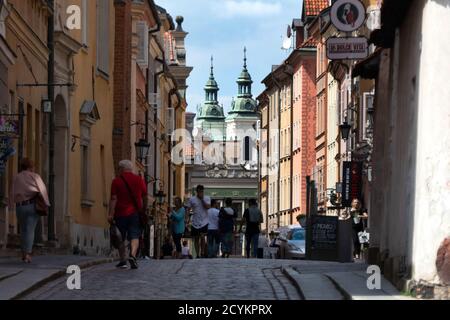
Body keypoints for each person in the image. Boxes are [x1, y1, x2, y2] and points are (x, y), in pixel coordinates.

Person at [108, 160, 147, 269]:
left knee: (121, 237)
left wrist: (110, 214)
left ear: (121, 169)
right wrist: (144, 208)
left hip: (120, 213)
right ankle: (133, 255)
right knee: (135, 235)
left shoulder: (116, 181)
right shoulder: (139, 180)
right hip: (135, 213)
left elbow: (114, 198)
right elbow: (144, 195)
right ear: (131, 168)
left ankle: (123, 260)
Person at [10, 158, 50, 263]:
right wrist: (46, 203)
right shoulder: (35, 176)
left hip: (20, 207)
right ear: (30, 166)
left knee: (23, 230)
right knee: (30, 230)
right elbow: (43, 190)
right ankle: (27, 254)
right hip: (32, 206)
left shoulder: (16, 177)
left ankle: (24, 252)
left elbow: (12, 192)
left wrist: (11, 204)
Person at [186, 185, 211, 258]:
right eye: (199, 191)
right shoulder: (192, 199)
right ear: (196, 191)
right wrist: (186, 218)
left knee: (203, 236)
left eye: (202, 191)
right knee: (196, 238)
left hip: (204, 221)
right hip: (195, 221)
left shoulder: (207, 198)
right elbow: (188, 209)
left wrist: (202, 199)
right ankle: (197, 254)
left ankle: (202, 252)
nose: (200, 192)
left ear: (203, 191)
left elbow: (208, 207)